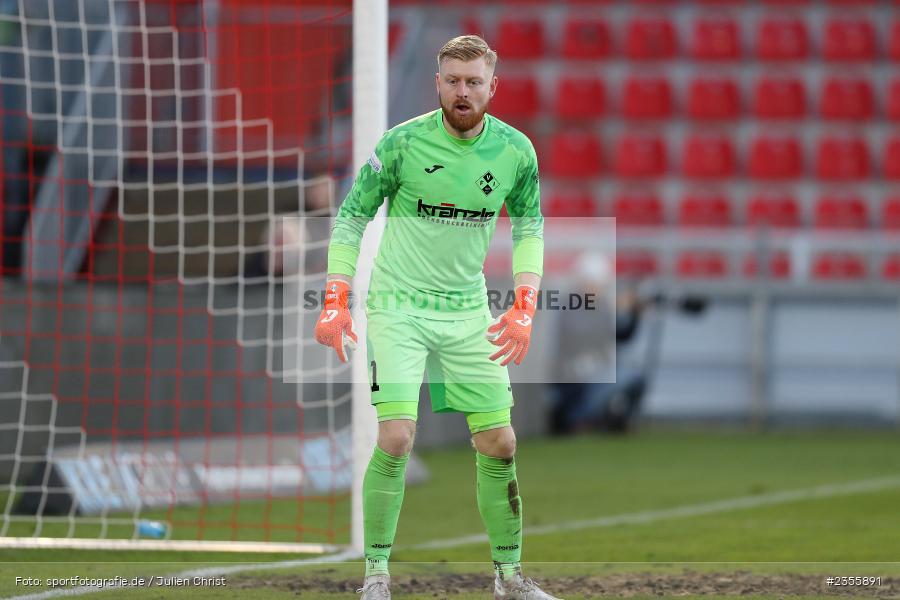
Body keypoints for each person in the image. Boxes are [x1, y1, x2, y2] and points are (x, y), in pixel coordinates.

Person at [314, 35, 560, 600]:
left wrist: (525, 304)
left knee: (500, 442)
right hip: (399, 305)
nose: (463, 91)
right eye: (453, 80)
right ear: (438, 83)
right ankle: (375, 577)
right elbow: (352, 216)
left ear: (492, 87)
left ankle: (509, 578)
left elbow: (529, 227)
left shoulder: (515, 152)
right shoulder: (401, 145)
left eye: (474, 82)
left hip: (467, 309)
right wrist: (336, 295)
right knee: (397, 437)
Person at [548, 253, 647, 435]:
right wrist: (611, 309)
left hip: (592, 379)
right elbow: (579, 334)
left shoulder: (599, 307)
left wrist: (634, 314)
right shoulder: (569, 305)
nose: (599, 289)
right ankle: (579, 420)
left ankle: (611, 421)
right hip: (573, 386)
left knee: (635, 378)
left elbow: (623, 335)